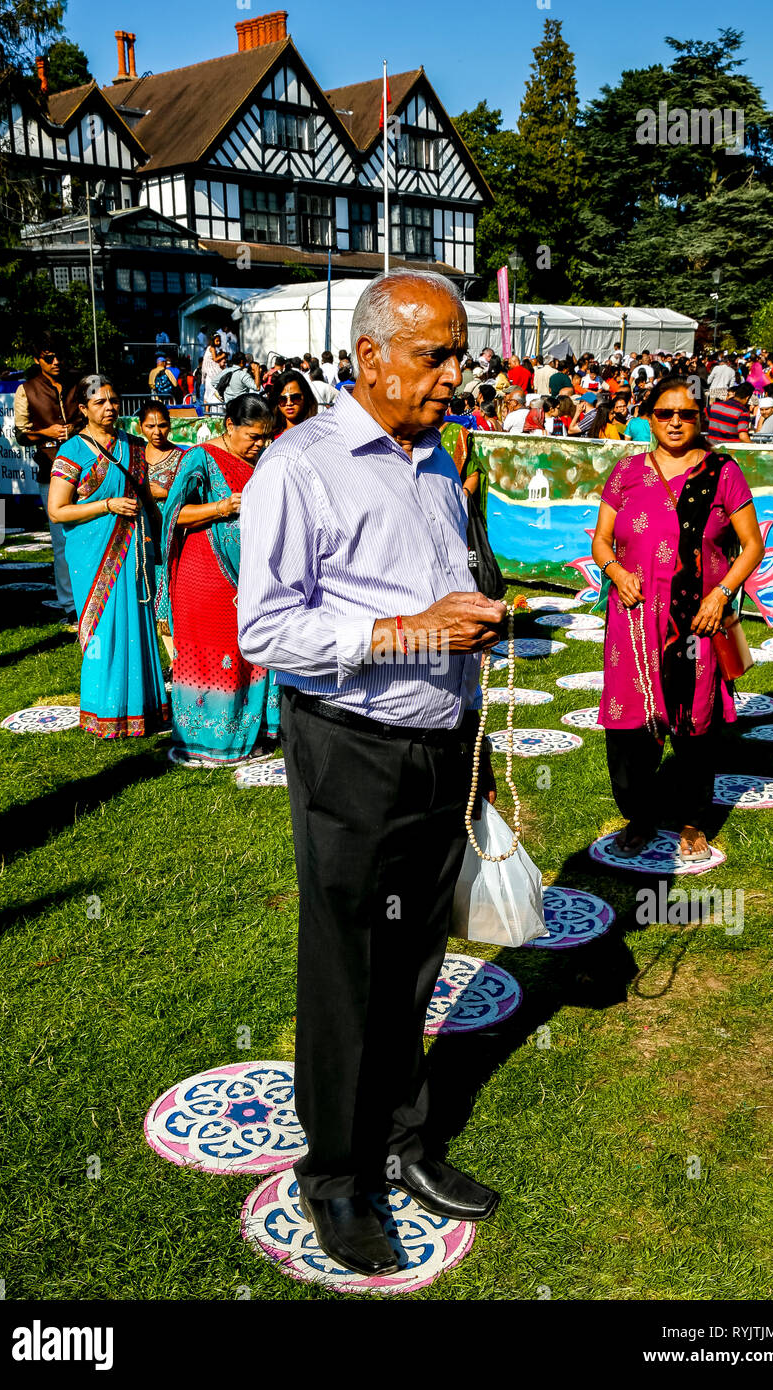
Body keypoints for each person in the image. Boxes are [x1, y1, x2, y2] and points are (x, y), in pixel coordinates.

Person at [237, 268, 506, 1277]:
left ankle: (402, 1139)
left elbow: (443, 585)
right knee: (349, 969)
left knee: (415, 962)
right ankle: (337, 1175)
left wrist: (471, 624)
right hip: (351, 749)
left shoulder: (437, 459)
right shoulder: (300, 466)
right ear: (371, 358)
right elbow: (266, 627)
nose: (453, 372)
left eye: (456, 352)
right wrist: (409, 631)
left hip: (442, 742)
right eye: (434, 353)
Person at [592, 377, 764, 862]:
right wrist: (617, 572)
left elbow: (752, 545)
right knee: (630, 724)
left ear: (699, 419)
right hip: (633, 618)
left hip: (698, 620)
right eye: (665, 413)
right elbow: (601, 540)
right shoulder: (626, 472)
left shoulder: (722, 473)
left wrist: (723, 593)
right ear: (649, 417)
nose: (675, 422)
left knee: (694, 723)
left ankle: (692, 821)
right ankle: (639, 815)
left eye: (686, 414)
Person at [159, 394, 279, 766]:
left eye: (266, 437)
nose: (260, 444)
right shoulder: (202, 458)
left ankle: (251, 733)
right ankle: (206, 740)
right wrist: (220, 508)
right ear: (229, 426)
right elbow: (173, 514)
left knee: (248, 651)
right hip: (206, 573)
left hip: (250, 577)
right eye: (254, 436)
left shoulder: (262, 461)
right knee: (215, 653)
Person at [47, 375, 169, 738]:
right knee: (106, 629)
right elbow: (57, 510)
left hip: (135, 549)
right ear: (83, 409)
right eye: (100, 402)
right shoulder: (72, 452)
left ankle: (143, 708)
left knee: (136, 623)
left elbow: (145, 493)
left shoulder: (133, 445)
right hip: (94, 555)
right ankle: (105, 711)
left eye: (114, 400)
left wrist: (161, 533)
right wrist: (107, 505)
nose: (111, 407)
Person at [14, 335, 84, 625]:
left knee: (90, 535)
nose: (56, 362)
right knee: (61, 542)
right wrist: (48, 432)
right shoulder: (26, 390)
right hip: (51, 471)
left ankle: (94, 595)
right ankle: (69, 605)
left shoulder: (79, 384)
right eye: (49, 357)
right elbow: (21, 434)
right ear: (37, 360)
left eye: (59, 357)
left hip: (87, 468)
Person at [138, 400, 186, 669]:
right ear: (140, 426)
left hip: (170, 537)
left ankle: (177, 663)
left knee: (168, 605)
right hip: (140, 535)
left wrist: (162, 493)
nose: (157, 431)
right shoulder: (134, 456)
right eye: (150, 426)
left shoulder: (181, 458)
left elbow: (190, 494)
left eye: (163, 425)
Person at [266, 370, 318, 436]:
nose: (289, 403)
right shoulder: (268, 434)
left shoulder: (316, 433)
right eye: (282, 399)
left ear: (305, 397)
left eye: (295, 397)